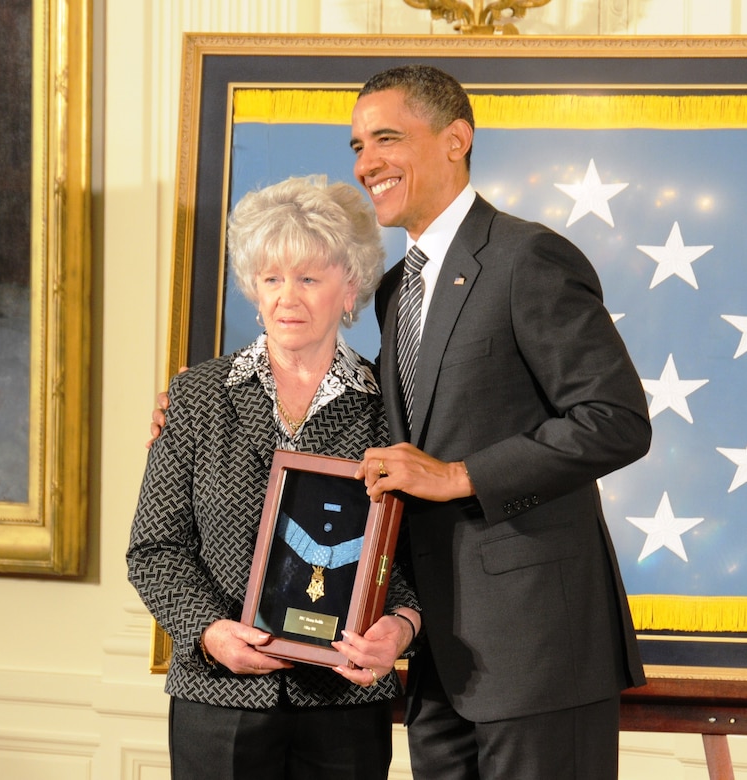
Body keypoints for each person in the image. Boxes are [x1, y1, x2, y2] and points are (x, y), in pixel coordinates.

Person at [349, 65, 652, 779]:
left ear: (457, 139)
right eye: (357, 146)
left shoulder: (528, 258)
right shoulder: (397, 287)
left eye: (386, 139)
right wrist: (213, 397)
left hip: (540, 652)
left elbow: (615, 420)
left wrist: (459, 476)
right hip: (439, 661)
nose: (367, 164)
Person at [128, 174, 421, 780]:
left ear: (351, 287)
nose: (288, 298)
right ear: (253, 290)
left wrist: (399, 628)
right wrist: (210, 632)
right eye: (272, 278)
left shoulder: (393, 409)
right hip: (219, 699)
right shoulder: (196, 397)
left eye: (309, 277)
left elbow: (418, 558)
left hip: (347, 701)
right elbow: (154, 551)